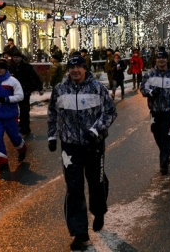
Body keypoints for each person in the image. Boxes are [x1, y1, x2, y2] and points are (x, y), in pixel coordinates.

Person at [47, 55, 117, 250]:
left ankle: (99, 210)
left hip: (93, 143)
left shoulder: (97, 88)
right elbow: (53, 113)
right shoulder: (60, 89)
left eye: (79, 67)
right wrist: (52, 136)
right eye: (72, 67)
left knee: (97, 181)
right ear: (68, 69)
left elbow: (110, 112)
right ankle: (79, 232)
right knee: (74, 188)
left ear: (85, 69)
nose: (75, 70)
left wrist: (95, 130)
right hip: (70, 147)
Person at [140, 49, 170, 175]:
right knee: (157, 134)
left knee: (167, 135)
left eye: (163, 58)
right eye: (159, 58)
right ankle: (165, 153)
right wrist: (151, 92)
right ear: (156, 60)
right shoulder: (150, 75)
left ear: (167, 59)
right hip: (155, 111)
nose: (161, 60)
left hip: (169, 111)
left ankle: (164, 162)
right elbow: (143, 89)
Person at [0, 59, 27, 172]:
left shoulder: (13, 81)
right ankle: (3, 163)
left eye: (1, 68)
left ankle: (22, 149)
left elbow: (20, 96)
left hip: (10, 115)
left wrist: (7, 99)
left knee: (14, 137)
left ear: (6, 69)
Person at [9, 51, 44, 135]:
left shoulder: (27, 67)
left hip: (25, 90)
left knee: (24, 109)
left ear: (21, 58)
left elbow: (35, 77)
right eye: (14, 57)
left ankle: (25, 127)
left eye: (17, 57)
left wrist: (40, 88)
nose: (15, 59)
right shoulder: (10, 68)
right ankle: (15, 127)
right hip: (13, 91)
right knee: (13, 110)